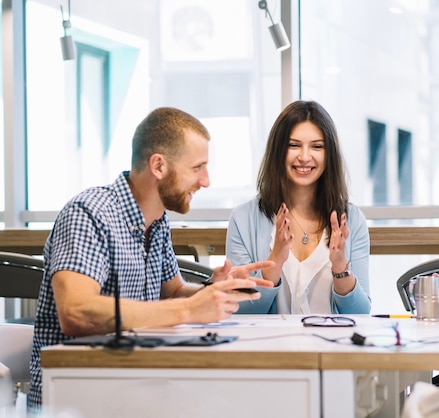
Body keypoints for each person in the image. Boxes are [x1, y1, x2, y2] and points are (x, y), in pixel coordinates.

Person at [28, 107, 274, 408]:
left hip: (132, 383)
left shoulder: (156, 222)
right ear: (158, 166)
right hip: (77, 394)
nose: (206, 181)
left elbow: (171, 292)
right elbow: (77, 313)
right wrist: (188, 309)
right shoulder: (88, 214)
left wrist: (213, 288)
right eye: (197, 167)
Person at [226, 100, 371, 314]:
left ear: (329, 154)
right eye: (293, 145)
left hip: (331, 346)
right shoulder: (243, 219)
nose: (304, 157)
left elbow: (361, 314)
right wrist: (275, 260)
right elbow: (240, 311)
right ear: (278, 151)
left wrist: (340, 267)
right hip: (270, 346)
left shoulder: (352, 219)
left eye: (317, 146)